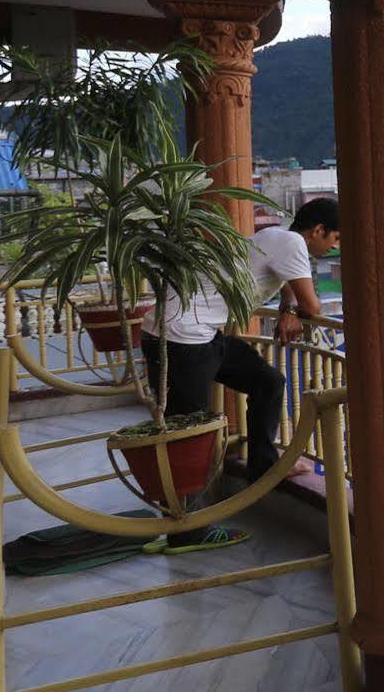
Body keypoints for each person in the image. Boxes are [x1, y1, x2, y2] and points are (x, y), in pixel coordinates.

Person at [139, 198, 342, 552]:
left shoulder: (276, 237)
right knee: (188, 432)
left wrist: (287, 307)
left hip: (196, 334)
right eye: (334, 238)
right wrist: (297, 309)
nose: (335, 246)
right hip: (181, 339)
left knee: (268, 382)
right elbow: (313, 307)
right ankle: (186, 530)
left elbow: (290, 287)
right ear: (318, 231)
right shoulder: (292, 243)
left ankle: (262, 465)